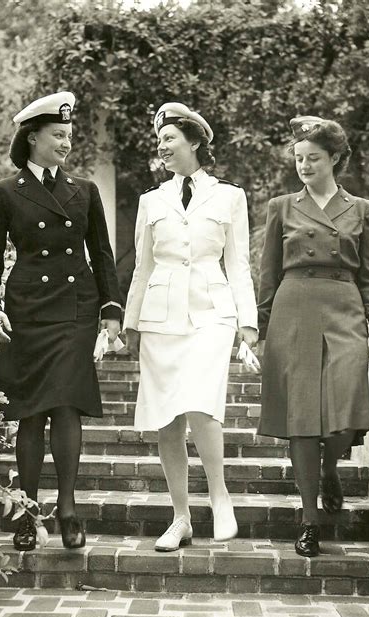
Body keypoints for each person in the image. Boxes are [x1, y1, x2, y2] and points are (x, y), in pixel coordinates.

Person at [0, 92, 122, 550]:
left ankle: (69, 508)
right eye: (57, 135)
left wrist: (110, 310)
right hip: (27, 310)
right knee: (30, 413)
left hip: (74, 307)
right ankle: (28, 510)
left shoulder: (84, 191)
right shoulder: (3, 192)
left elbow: (101, 253)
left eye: (69, 136)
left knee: (65, 405)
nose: (65, 143)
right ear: (32, 137)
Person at [123, 102, 258, 551]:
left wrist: (248, 322)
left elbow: (239, 264)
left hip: (211, 314)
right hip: (160, 318)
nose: (161, 146)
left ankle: (219, 495)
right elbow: (142, 268)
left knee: (201, 403)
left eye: (169, 139)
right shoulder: (150, 201)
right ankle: (180, 517)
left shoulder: (229, 196)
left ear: (195, 141)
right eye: (159, 140)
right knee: (167, 421)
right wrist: (130, 321)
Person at [257, 116, 369, 557]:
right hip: (293, 309)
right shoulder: (281, 206)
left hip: (344, 307)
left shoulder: (363, 209)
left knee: (345, 403)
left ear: (335, 158)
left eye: (313, 158)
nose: (304, 165)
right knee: (301, 418)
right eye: (298, 158)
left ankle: (331, 464)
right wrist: (259, 329)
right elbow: (268, 272)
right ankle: (309, 519)